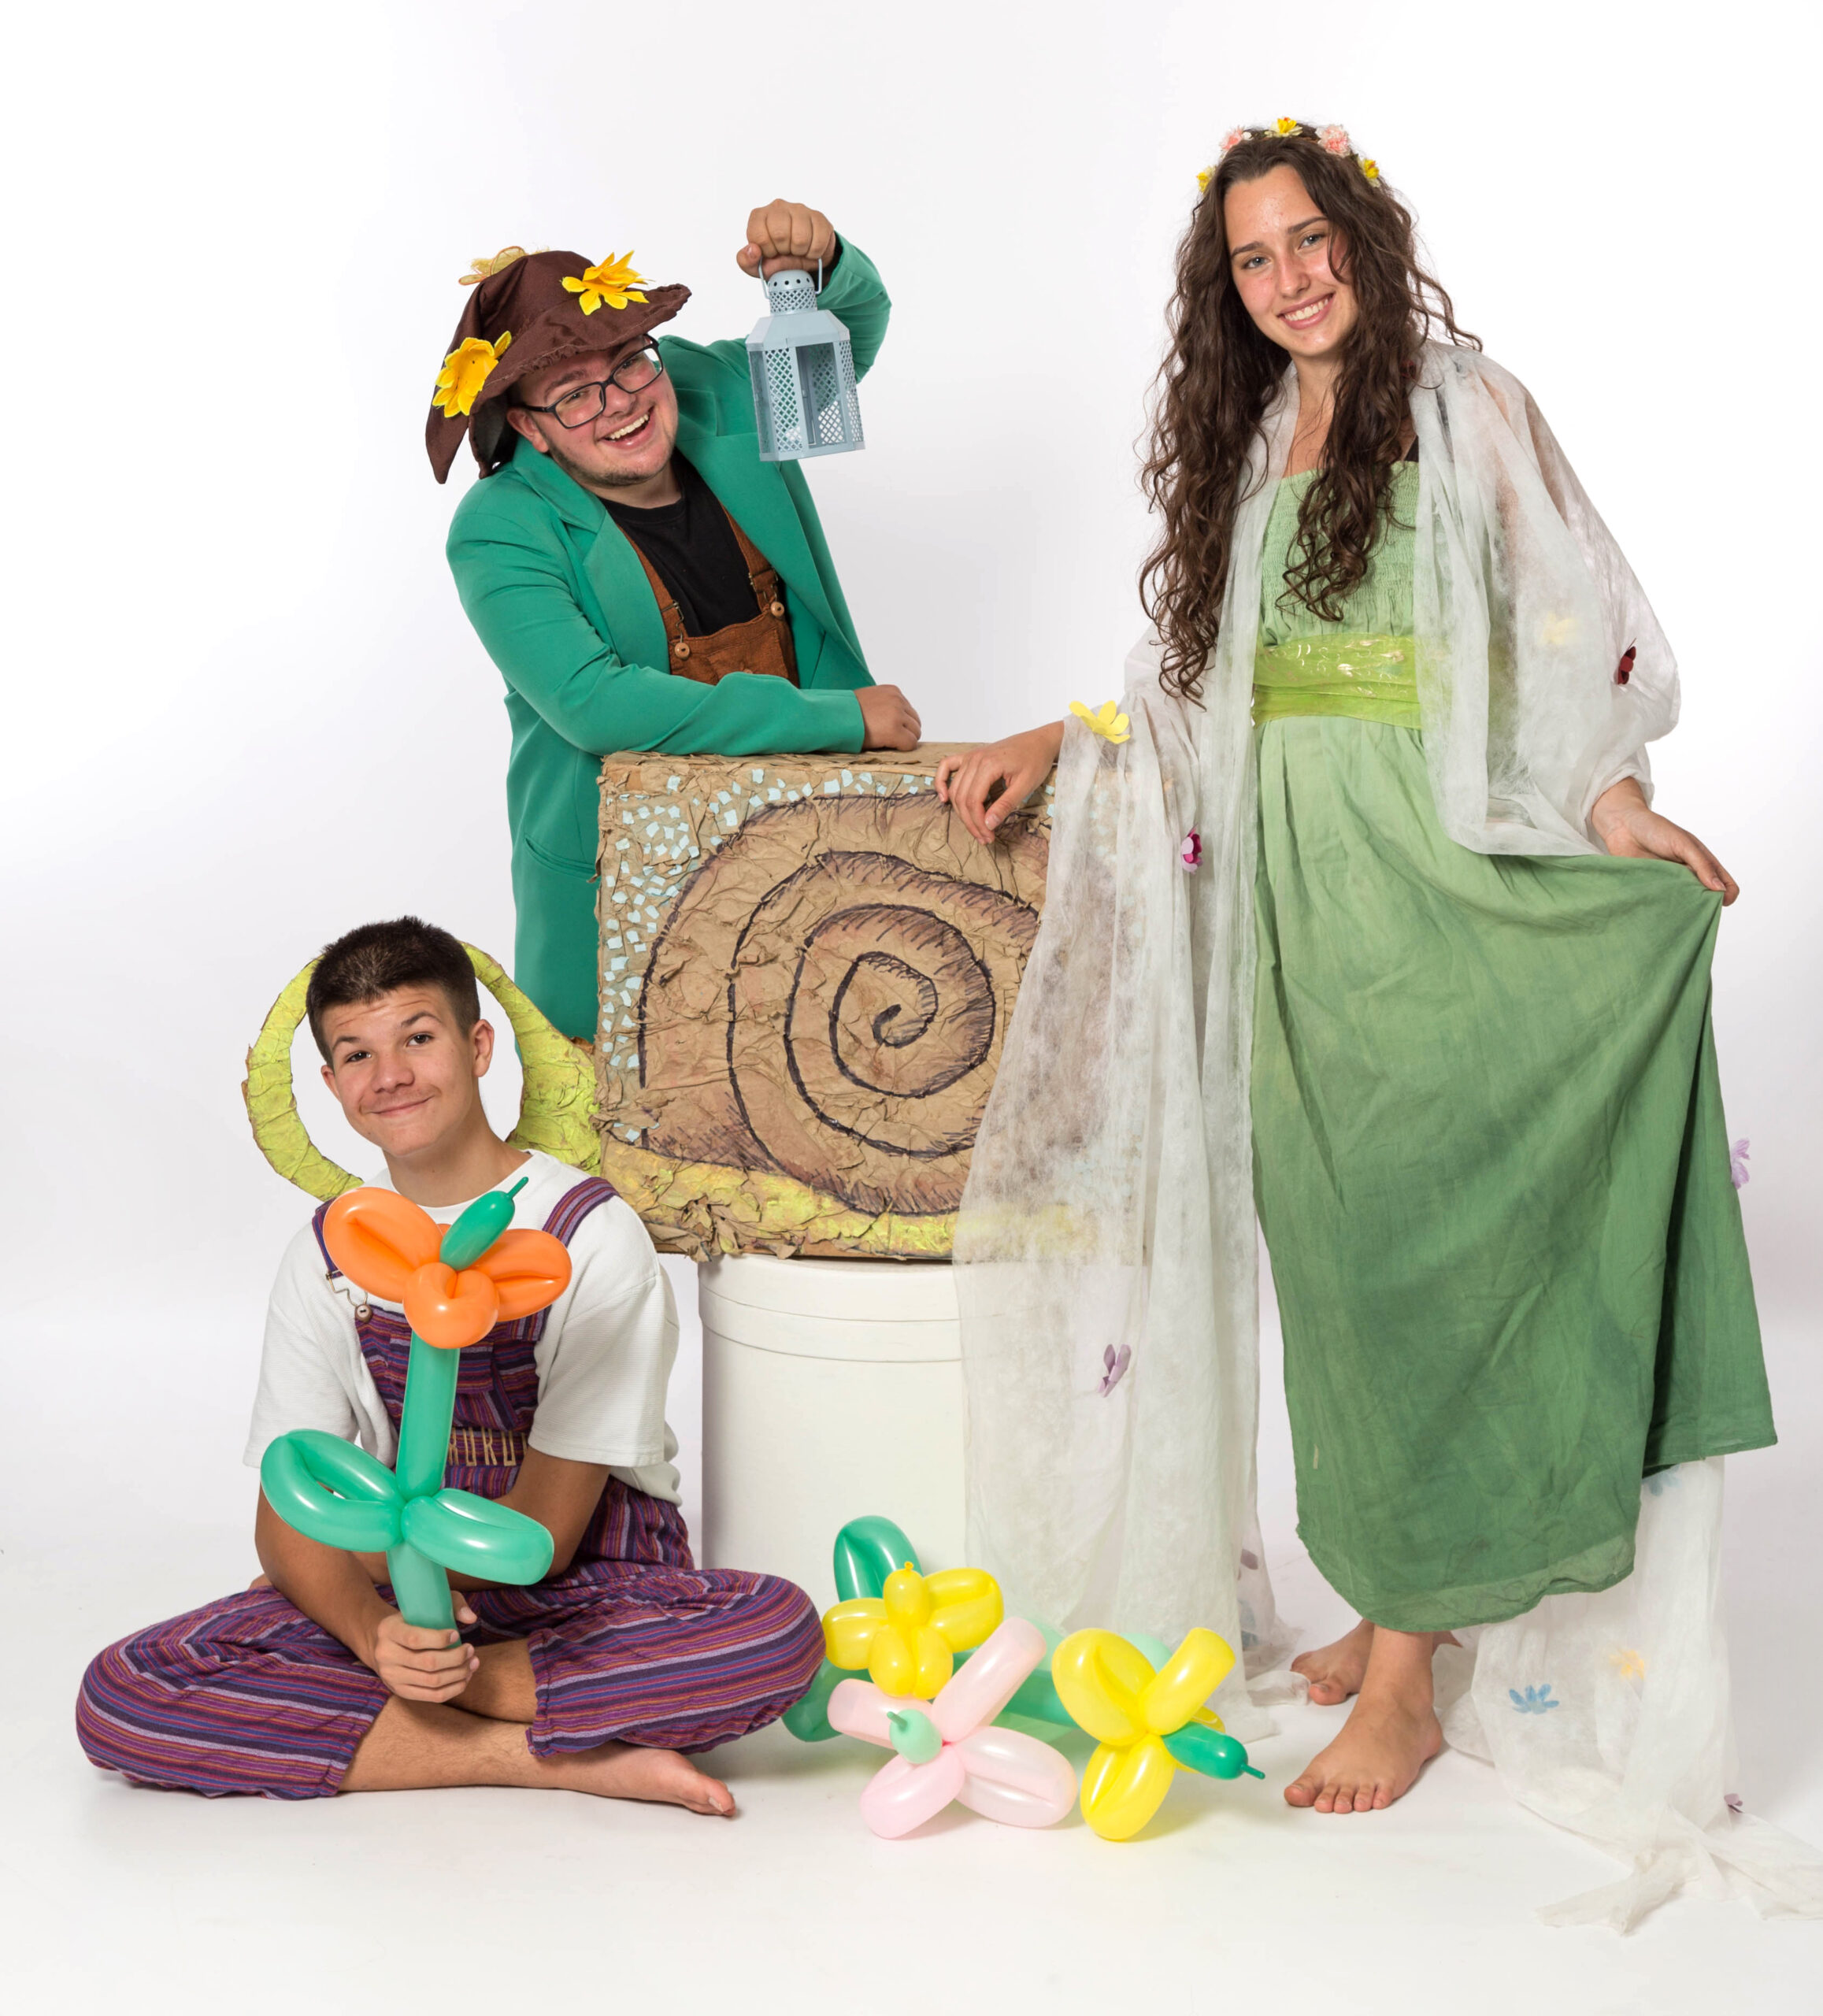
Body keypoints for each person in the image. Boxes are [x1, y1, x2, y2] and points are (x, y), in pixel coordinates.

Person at [938, 121, 1799, 1919]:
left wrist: (1615, 809)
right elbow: (1198, 692)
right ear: (1226, 290)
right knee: (1329, 1247)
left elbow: (1565, 625)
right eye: (1253, 258)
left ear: (1365, 238)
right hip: (1292, 890)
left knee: (1416, 1247)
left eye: (1310, 239)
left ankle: (1407, 1664)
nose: (1289, 278)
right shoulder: (1254, 436)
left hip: (1433, 870)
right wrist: (1057, 740)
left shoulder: (1463, 405)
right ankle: (1395, 1587)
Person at [77, 917, 824, 1811]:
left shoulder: (588, 1234)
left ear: (478, 1047)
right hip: (406, 1601)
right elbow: (285, 1512)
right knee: (126, 1690)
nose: (389, 1075)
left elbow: (540, 1537)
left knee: (777, 1631)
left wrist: (350, 1578)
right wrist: (375, 1635)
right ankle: (552, 1754)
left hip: (588, 1588)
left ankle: (435, 1707)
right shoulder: (326, 1255)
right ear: (332, 1085)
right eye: (356, 1054)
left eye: (418, 1038)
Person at [433, 202, 922, 1041]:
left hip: (807, 853)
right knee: (636, 1105)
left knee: (825, 1076)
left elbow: (850, 336)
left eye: (630, 363)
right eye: (574, 395)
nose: (620, 403)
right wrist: (842, 718)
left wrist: (823, 262)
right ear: (527, 428)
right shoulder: (499, 527)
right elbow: (597, 704)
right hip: (625, 891)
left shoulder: (715, 390)